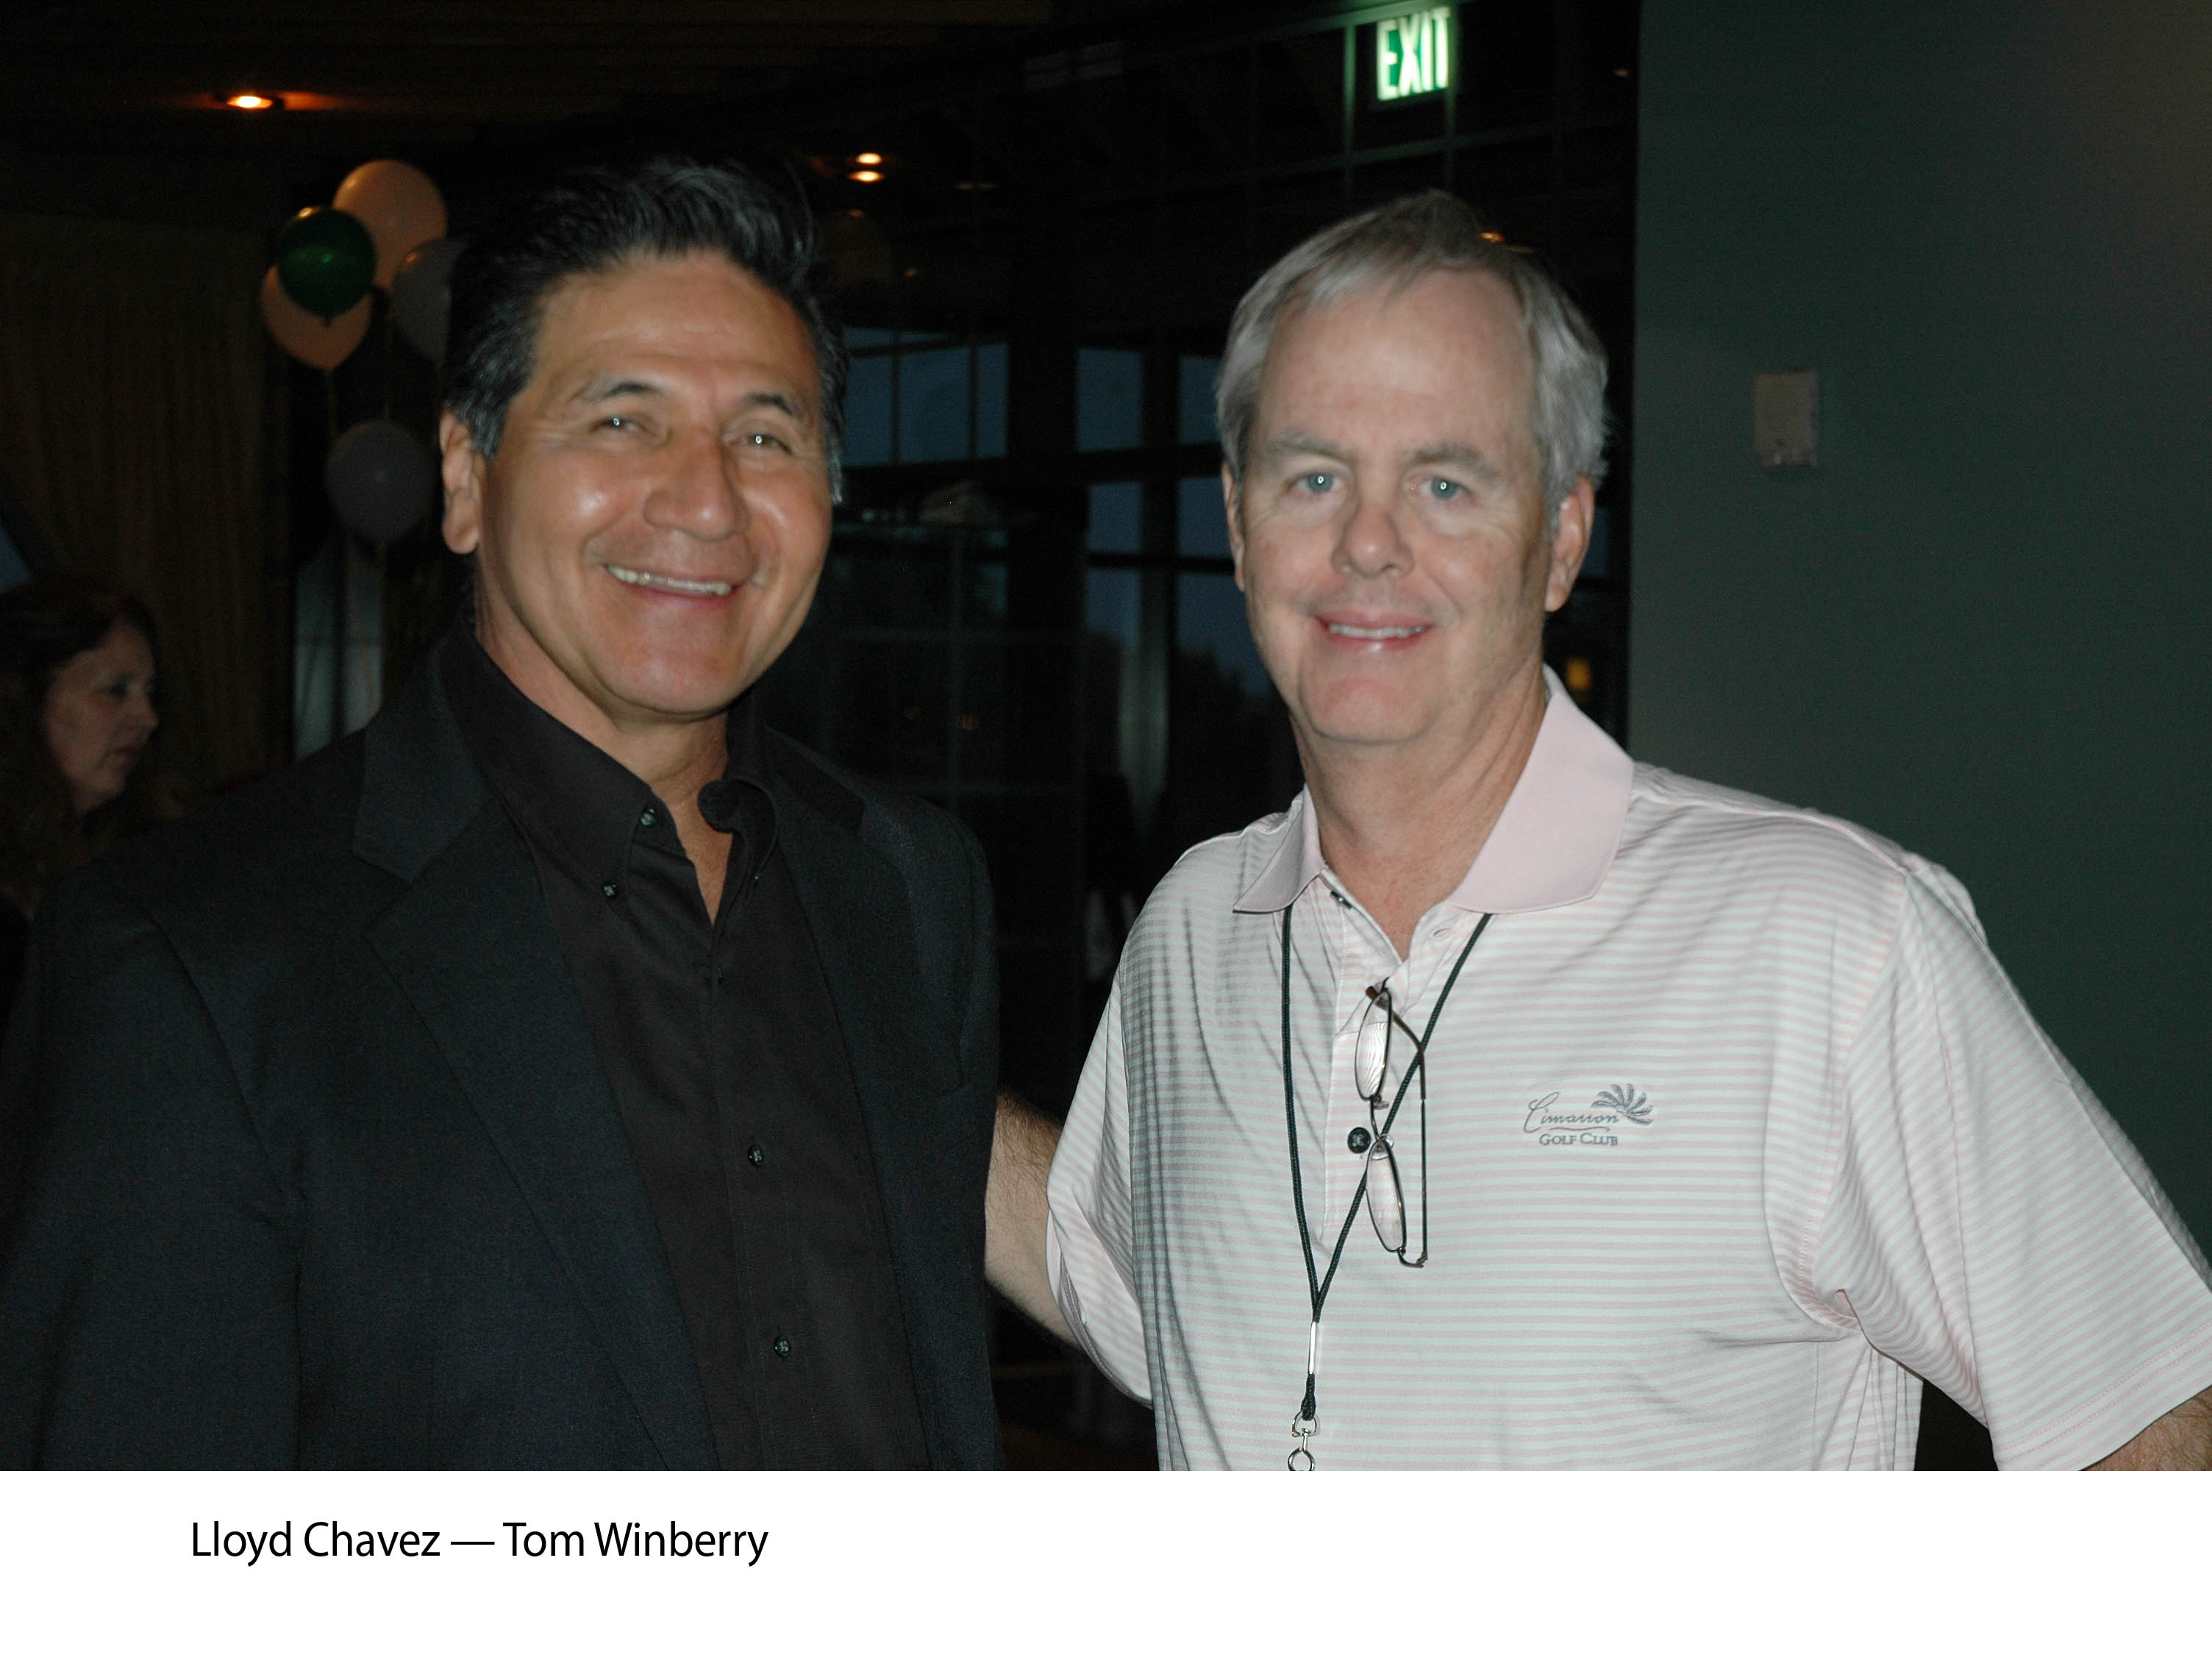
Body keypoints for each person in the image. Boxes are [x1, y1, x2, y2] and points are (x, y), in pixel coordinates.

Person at [1035, 192, 2212, 1469]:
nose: (1368, 543)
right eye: (1313, 477)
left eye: (1445, 483)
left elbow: (2151, 1421)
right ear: (1236, 524)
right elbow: (1141, 1290)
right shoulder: (1191, 933)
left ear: (1560, 538)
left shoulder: (1826, 942)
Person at [0, 159, 1024, 1468]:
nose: (707, 500)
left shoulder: (909, 884)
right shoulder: (186, 962)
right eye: (623, 419)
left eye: (766, 436)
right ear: (464, 476)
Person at [0, 578, 166, 1019]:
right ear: (29, 699)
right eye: (116, 690)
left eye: (149, 692)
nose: (148, 718)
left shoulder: (141, 848)